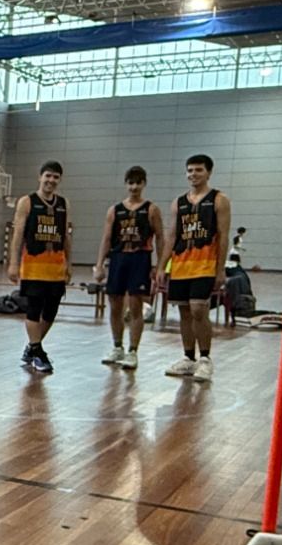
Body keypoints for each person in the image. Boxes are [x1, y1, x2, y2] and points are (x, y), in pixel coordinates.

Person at [157, 154, 229, 381]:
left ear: (209, 172)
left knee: (199, 309)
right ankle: (188, 358)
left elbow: (223, 236)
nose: (193, 174)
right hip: (181, 265)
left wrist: (220, 269)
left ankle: (205, 358)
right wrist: (161, 266)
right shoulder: (178, 203)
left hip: (205, 265)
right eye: (190, 170)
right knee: (184, 312)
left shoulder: (219, 200)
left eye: (198, 170)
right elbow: (171, 236)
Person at [94, 165, 162, 369]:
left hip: (140, 259)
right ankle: (117, 346)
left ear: (144, 184)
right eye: (131, 183)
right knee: (115, 305)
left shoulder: (151, 209)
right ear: (126, 184)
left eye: (138, 183)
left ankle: (133, 351)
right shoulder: (115, 210)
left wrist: (160, 266)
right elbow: (106, 238)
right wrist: (99, 264)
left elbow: (160, 238)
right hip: (118, 258)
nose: (134, 187)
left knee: (135, 306)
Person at [6, 160, 70, 374]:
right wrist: (13, 263)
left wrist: (69, 263)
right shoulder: (27, 202)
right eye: (48, 176)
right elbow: (18, 234)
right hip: (33, 266)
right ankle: (38, 352)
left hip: (56, 268)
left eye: (55, 177)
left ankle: (33, 348)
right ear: (40, 177)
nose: (51, 180)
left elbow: (66, 236)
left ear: (60, 180)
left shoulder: (64, 204)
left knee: (51, 312)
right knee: (34, 309)